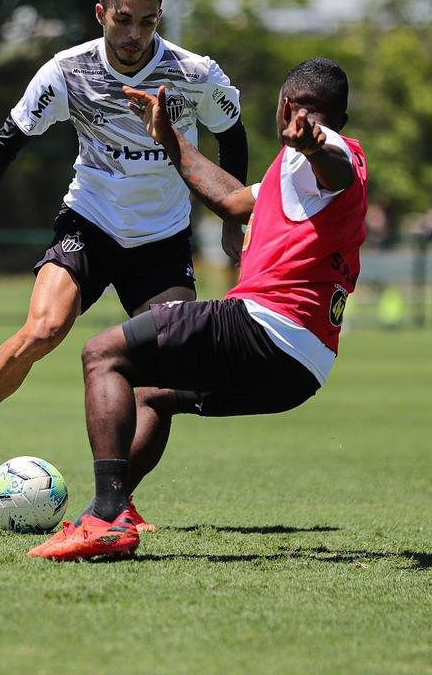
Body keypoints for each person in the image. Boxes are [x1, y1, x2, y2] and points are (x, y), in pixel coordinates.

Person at [0, 0, 249, 475]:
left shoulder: (194, 73)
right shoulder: (68, 71)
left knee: (160, 377)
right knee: (43, 329)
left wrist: (231, 218)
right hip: (90, 222)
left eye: (149, 21)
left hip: (162, 239)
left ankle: (114, 504)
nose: (135, 34)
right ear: (100, 13)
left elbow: (232, 132)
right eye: (124, 19)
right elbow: (4, 144)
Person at [26, 58, 368, 561]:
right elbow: (231, 199)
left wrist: (314, 142)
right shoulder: (291, 174)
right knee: (156, 393)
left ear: (287, 106)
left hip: (264, 327)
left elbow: (335, 164)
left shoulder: (332, 154)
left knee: (102, 355)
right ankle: (115, 508)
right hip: (300, 370)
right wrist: (167, 136)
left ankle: (103, 518)